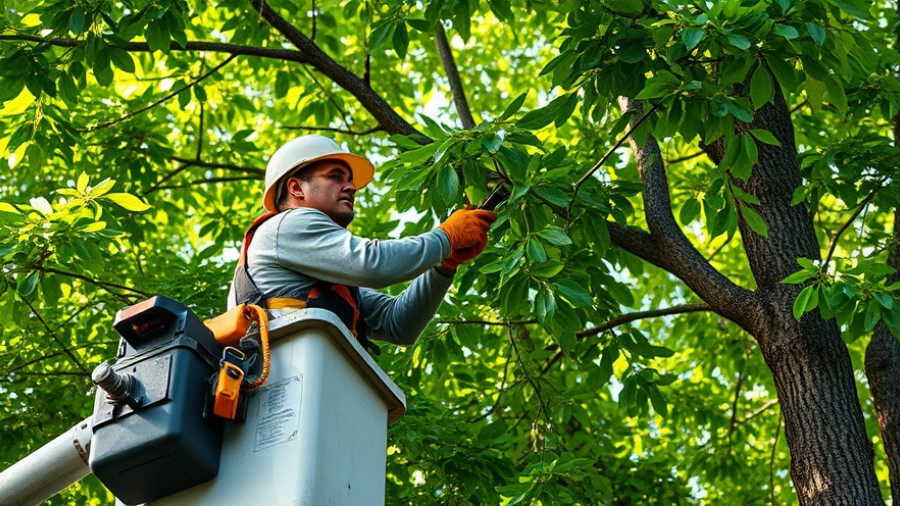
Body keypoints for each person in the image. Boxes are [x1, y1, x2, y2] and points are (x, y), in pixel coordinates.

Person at [228, 135, 495, 349]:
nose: (351, 187)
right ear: (296, 188)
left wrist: (443, 266)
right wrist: (446, 237)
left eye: (350, 180)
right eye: (335, 177)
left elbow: (398, 324)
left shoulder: (322, 278)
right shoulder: (288, 224)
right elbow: (373, 264)